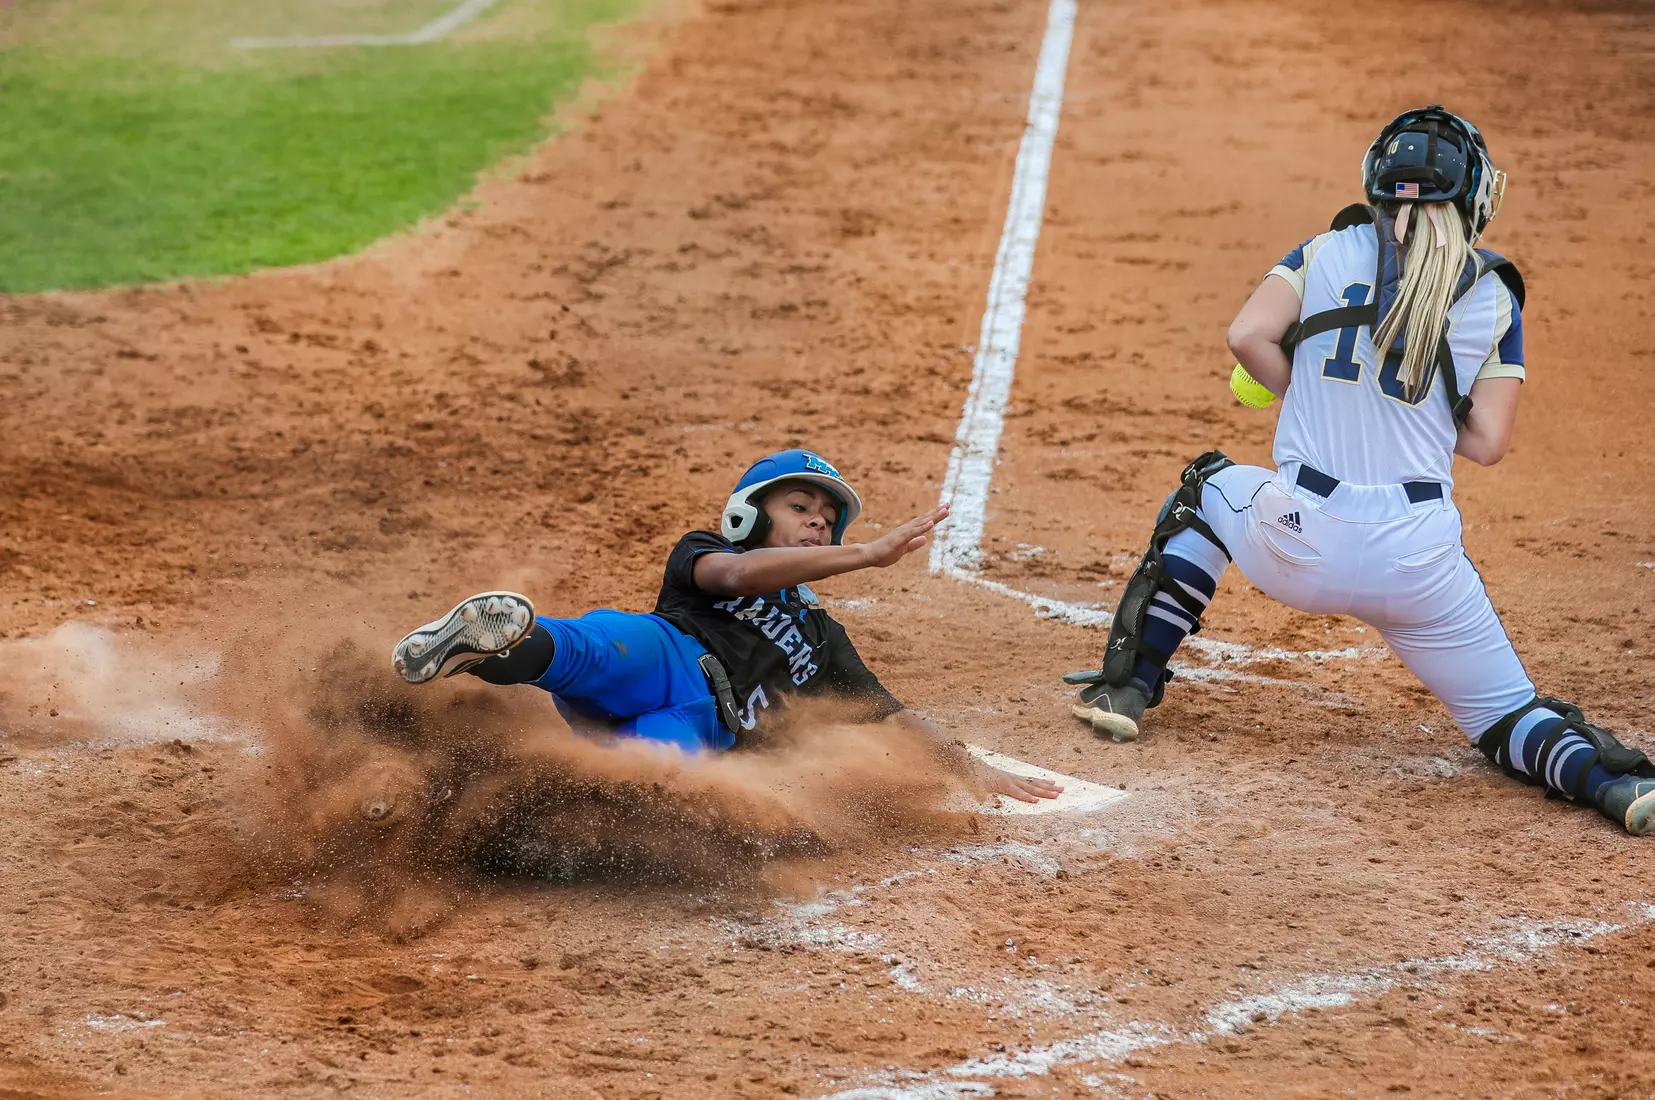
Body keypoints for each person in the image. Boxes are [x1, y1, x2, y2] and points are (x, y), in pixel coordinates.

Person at [1062, 106, 1655, 835]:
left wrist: (1308, 390)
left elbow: (1245, 336)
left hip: (1295, 541)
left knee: (1204, 493)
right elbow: (1487, 443)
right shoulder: (1493, 292)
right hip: (1417, 562)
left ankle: (1124, 688)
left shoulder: (1322, 250)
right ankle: (1610, 784)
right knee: (1507, 714)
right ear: (1472, 195)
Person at [393, 448, 1060, 803]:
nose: (818, 520)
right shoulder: (707, 550)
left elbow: (889, 712)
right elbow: (737, 578)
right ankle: (488, 646)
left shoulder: (825, 636)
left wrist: (966, 766)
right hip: (666, 656)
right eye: (799, 505)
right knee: (588, 649)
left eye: (828, 519)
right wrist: (864, 554)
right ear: (747, 515)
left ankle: (484, 807)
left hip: (707, 729)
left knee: (644, 795)